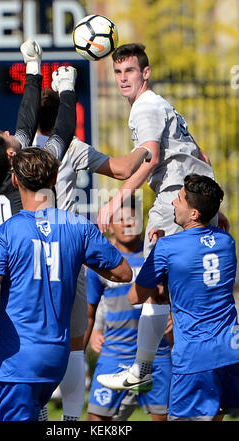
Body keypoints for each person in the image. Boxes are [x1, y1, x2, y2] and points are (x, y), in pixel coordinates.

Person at [0, 38, 78, 421]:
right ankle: (57, 413)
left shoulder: (1, 172)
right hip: (41, 264)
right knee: (63, 343)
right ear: (11, 154)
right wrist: (67, 90)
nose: (12, 131)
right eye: (6, 138)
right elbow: (59, 132)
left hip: (12, 267)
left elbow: (23, 120)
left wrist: (33, 68)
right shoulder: (31, 168)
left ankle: (37, 407)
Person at [96, 43, 228, 391]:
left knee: (145, 290)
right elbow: (201, 154)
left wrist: (116, 201)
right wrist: (212, 208)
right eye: (118, 72)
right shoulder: (162, 105)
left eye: (130, 71)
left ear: (146, 73)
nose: (123, 78)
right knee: (177, 288)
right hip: (194, 198)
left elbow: (151, 159)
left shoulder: (145, 107)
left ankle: (142, 368)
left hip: (175, 200)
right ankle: (186, 356)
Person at [0, 147, 132, 421]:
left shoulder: (4, 234)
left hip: (18, 358)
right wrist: (77, 257)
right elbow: (123, 273)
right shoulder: (78, 227)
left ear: (15, 180)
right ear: (55, 178)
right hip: (56, 358)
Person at [32, 87, 153, 421]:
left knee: (37, 338)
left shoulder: (21, 149)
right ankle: (71, 420)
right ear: (65, 118)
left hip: (30, 252)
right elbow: (123, 169)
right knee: (74, 344)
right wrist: (149, 146)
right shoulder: (71, 146)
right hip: (69, 247)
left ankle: (41, 412)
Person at [100, 174, 239, 421]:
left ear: (194, 213)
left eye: (181, 199)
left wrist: (156, 254)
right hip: (230, 352)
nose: (174, 202)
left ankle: (138, 372)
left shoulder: (167, 248)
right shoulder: (227, 241)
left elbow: (135, 297)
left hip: (195, 358)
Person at [85, 196, 172, 422]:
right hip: (115, 351)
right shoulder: (101, 260)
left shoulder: (158, 254)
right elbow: (90, 311)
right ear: (110, 225)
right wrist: (88, 339)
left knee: (164, 418)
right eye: (120, 219)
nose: (127, 222)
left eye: (132, 217)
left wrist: (174, 317)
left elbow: (177, 296)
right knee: (96, 419)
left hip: (157, 354)